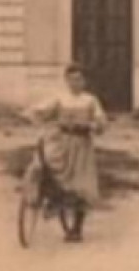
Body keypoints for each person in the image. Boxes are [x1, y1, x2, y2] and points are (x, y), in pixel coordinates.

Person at [22, 65, 106, 242]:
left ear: (85, 81)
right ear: (66, 81)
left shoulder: (90, 100)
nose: (75, 83)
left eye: (79, 79)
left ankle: (76, 229)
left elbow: (100, 121)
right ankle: (48, 198)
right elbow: (43, 110)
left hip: (81, 145)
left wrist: (93, 125)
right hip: (61, 141)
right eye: (72, 79)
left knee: (82, 185)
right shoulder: (60, 98)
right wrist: (30, 113)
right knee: (43, 165)